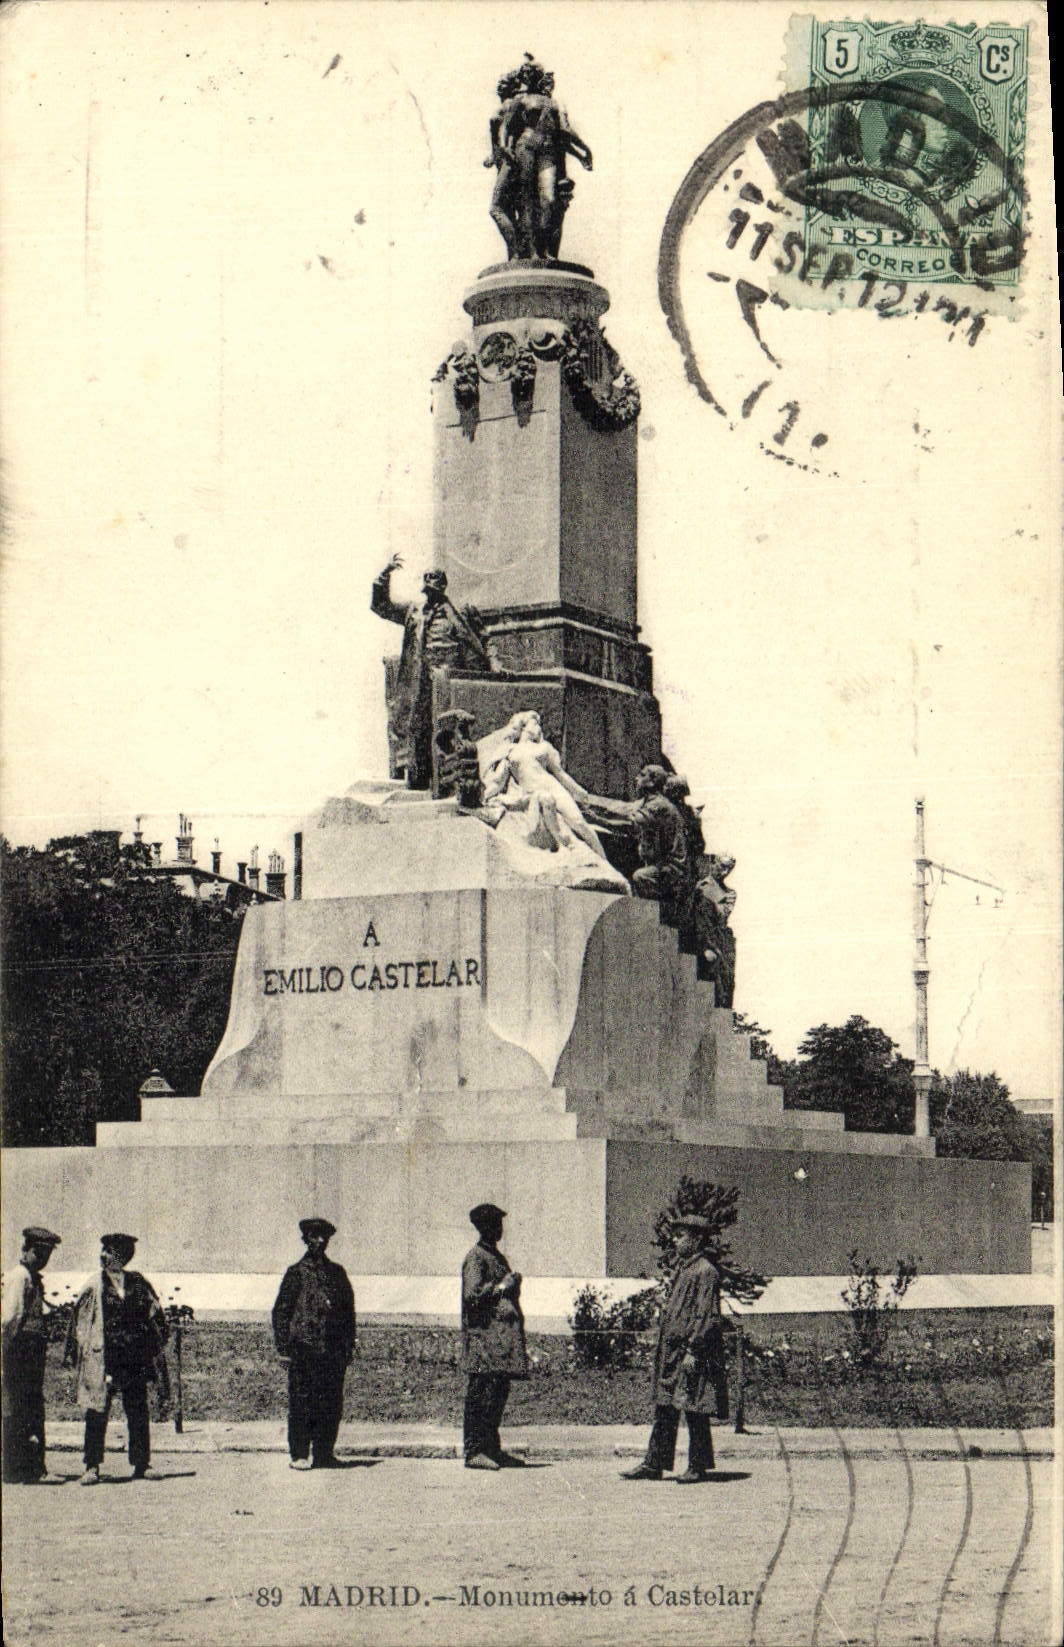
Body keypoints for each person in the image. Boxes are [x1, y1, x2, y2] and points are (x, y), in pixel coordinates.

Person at [371, 554, 501, 789]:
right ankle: (419, 781)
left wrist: (495, 663)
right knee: (418, 727)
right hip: (420, 676)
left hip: (448, 677)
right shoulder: (414, 611)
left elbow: (484, 638)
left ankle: (447, 783)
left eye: (434, 585)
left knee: (446, 729)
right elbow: (382, 607)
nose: (430, 590)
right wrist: (384, 577)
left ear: (442, 587)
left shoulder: (461, 611)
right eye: (427, 585)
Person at [621, 1214, 729, 1484]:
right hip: (671, 1353)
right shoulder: (685, 1268)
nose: (674, 1239)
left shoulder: (706, 1271)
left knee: (694, 1408)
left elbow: (707, 1316)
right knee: (665, 1406)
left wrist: (694, 1350)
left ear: (697, 1239)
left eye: (681, 1235)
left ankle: (698, 1465)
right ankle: (654, 1463)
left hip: (691, 1353)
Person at [64, 1233, 169, 1484]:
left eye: (109, 1251)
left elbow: (156, 1315)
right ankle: (92, 1466)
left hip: (134, 1359)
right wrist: (81, 1353)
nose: (104, 1255)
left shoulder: (138, 1282)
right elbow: (78, 1322)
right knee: (97, 1410)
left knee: (138, 1410)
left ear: (122, 1255)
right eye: (103, 1250)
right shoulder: (94, 1284)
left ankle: (142, 1464)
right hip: (105, 1358)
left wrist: (153, 1343)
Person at [272, 1219, 356, 1470]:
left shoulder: (337, 1274)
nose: (319, 1241)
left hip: (332, 1352)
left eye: (323, 1237)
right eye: (314, 1236)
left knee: (330, 1403)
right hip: (304, 1350)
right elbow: (281, 1313)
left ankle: (324, 1453)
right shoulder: (296, 1273)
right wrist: (284, 1349)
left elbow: (348, 1313)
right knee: (302, 1402)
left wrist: (348, 1347)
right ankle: (299, 1454)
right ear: (306, 1239)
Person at [481, 710, 606, 858]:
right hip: (534, 793)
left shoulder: (543, 747)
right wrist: (484, 796)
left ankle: (603, 858)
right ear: (524, 726)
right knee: (550, 809)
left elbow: (560, 774)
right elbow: (498, 782)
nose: (539, 728)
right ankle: (563, 846)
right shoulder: (510, 752)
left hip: (554, 788)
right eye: (535, 723)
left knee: (579, 823)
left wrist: (578, 790)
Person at [461, 1203, 528, 1470]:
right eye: (492, 1225)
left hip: (499, 1342)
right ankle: (474, 1451)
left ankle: (492, 1449)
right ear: (482, 1228)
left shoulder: (496, 1257)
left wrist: (513, 1285)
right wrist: (503, 1287)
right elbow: (472, 1296)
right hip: (483, 1341)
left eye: (499, 1225)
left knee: (497, 1395)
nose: (498, 1230)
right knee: (481, 1395)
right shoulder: (476, 1257)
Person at [2, 1225, 62, 1483]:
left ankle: (28, 1468)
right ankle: (24, 1469)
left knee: (29, 1407)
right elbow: (10, 1317)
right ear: (25, 1250)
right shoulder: (19, 1276)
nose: (43, 1259)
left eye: (47, 1254)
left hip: (31, 1350)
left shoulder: (33, 1277)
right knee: (22, 1408)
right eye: (38, 1253)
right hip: (21, 1350)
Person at [631, 764, 688, 901]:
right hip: (659, 865)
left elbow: (632, 820)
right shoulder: (646, 802)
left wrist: (595, 816)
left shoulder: (659, 805)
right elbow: (625, 809)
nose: (636, 778)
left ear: (652, 781)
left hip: (672, 868)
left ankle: (652, 914)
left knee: (641, 877)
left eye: (642, 775)